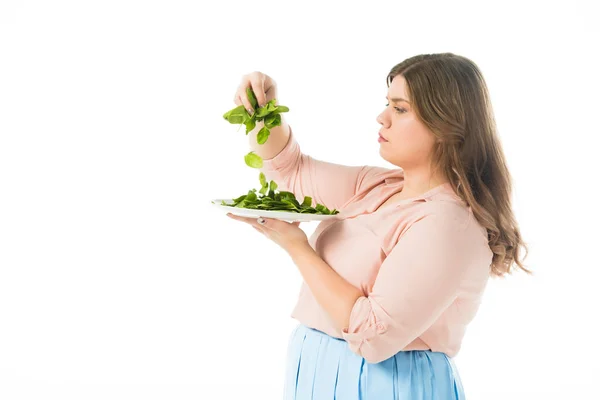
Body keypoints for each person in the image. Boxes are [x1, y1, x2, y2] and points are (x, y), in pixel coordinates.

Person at [226, 52, 531, 399]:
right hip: (318, 372)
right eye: (387, 104)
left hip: (386, 384)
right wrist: (263, 109)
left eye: (400, 109)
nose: (381, 117)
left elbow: (373, 336)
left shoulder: (448, 224)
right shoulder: (378, 186)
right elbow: (290, 171)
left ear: (447, 125)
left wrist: (297, 247)